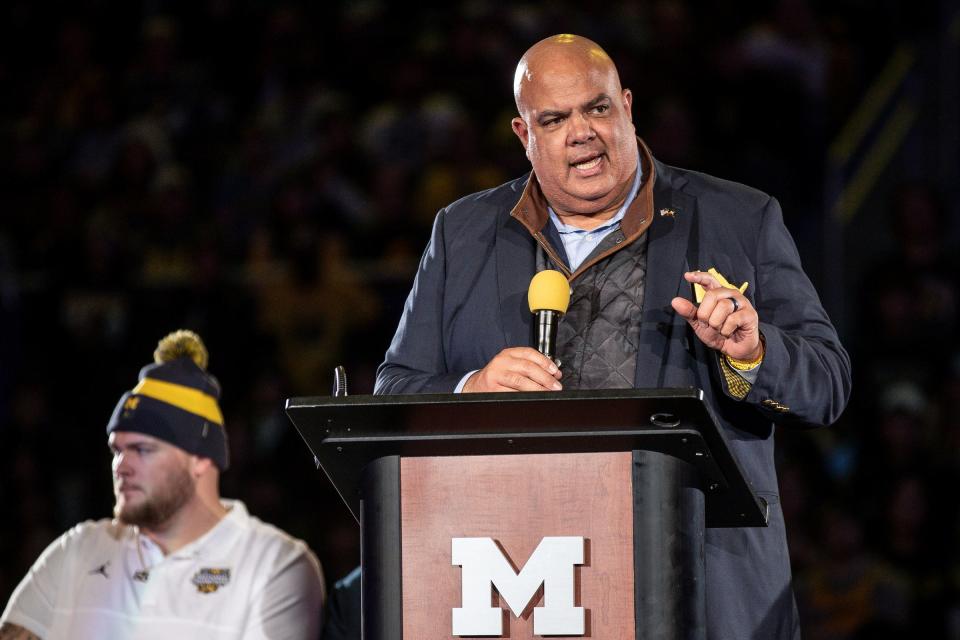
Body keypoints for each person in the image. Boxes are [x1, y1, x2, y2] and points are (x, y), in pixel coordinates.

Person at [375, 34, 851, 638]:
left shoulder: (738, 217)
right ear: (524, 135)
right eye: (554, 118)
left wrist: (752, 353)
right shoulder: (462, 232)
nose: (582, 132)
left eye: (597, 108)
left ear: (627, 106)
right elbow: (394, 387)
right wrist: (472, 388)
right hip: (513, 584)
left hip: (692, 587)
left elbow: (828, 384)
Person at [0, 330, 325, 640]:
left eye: (142, 449)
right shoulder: (79, 548)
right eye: (117, 450)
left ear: (199, 458)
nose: (121, 466)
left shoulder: (275, 563)